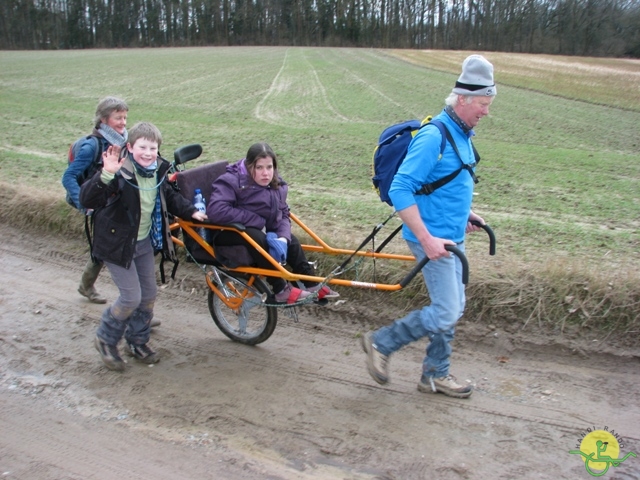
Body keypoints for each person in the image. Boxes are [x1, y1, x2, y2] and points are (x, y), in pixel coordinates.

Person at [361, 54, 497, 399]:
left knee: (453, 307)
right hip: (432, 239)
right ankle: (381, 343)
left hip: (451, 236)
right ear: (463, 99)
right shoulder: (433, 136)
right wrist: (426, 237)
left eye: (488, 103)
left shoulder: (463, 132)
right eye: (482, 103)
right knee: (447, 309)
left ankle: (435, 374)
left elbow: (446, 183)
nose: (486, 110)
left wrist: (467, 213)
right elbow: (401, 189)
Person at [80, 122, 207, 372]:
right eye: (142, 147)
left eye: (153, 148)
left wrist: (191, 211)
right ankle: (105, 339)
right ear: (130, 147)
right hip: (117, 245)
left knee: (148, 296)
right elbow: (88, 199)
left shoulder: (158, 171)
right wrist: (105, 174)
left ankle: (137, 341)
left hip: (144, 243)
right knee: (131, 298)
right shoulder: (118, 173)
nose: (148, 153)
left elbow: (170, 197)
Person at [206, 142, 339, 304]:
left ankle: (312, 284)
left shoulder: (277, 185)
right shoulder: (231, 181)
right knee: (257, 239)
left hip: (256, 232)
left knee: (292, 240)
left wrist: (283, 238)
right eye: (259, 168)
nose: (265, 173)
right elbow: (216, 210)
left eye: (269, 167)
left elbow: (283, 213)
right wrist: (257, 221)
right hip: (227, 234)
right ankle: (280, 289)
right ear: (249, 167)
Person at [62, 96, 129, 305]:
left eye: (125, 117)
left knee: (106, 243)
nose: (124, 122)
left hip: (108, 197)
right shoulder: (91, 147)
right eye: (118, 118)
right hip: (95, 201)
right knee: (109, 243)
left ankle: (86, 285)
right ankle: (131, 301)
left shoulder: (119, 141)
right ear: (103, 120)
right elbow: (69, 177)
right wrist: (84, 203)